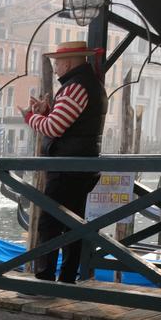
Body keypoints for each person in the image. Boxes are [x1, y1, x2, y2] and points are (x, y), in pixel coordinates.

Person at [21, 40, 107, 284]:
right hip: (80, 166)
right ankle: (68, 277)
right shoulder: (89, 85)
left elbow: (54, 128)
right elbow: (70, 123)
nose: (56, 67)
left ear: (68, 63)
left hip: (68, 169)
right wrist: (47, 111)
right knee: (73, 223)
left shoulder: (75, 88)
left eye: (57, 63)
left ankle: (46, 279)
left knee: (49, 223)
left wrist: (31, 117)